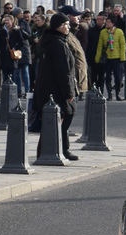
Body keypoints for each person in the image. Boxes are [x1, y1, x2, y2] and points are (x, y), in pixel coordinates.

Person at [33, 13, 79, 161]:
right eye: (64, 25)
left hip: (49, 88)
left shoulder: (55, 41)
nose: (67, 27)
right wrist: (69, 92)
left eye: (67, 24)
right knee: (65, 115)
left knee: (56, 119)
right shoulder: (58, 44)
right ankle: (57, 149)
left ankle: (59, 149)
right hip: (55, 89)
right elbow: (63, 71)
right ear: (57, 27)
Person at [59, 5, 89, 100]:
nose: (78, 18)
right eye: (75, 16)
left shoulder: (72, 33)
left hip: (77, 76)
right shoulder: (64, 35)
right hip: (73, 77)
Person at [95, 14, 126, 101]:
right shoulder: (103, 32)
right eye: (106, 22)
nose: (106, 24)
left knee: (118, 77)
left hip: (117, 58)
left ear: (113, 23)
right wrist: (97, 58)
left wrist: (122, 57)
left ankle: (118, 93)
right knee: (108, 77)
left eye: (108, 22)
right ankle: (109, 94)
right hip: (108, 58)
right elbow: (100, 46)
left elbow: (123, 45)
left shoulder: (119, 32)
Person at [0, 14, 25, 90]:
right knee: (5, 73)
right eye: (5, 20)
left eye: (8, 20)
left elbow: (22, 42)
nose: (6, 22)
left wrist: (15, 47)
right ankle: (5, 91)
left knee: (13, 74)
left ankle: (14, 91)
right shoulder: (2, 30)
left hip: (12, 55)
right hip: (4, 55)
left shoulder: (16, 30)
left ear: (12, 21)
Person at [12, 7, 32, 97]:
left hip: (24, 48)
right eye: (20, 13)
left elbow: (28, 35)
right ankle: (18, 90)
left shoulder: (24, 23)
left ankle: (27, 90)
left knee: (25, 70)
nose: (21, 15)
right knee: (17, 71)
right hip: (17, 48)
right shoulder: (13, 22)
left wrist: (21, 30)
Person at [86, 12, 107, 93]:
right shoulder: (91, 31)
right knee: (93, 76)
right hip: (93, 56)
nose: (98, 21)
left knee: (101, 76)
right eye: (97, 19)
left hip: (103, 57)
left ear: (104, 21)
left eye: (100, 19)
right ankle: (93, 91)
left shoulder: (106, 31)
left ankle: (100, 91)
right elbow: (89, 44)